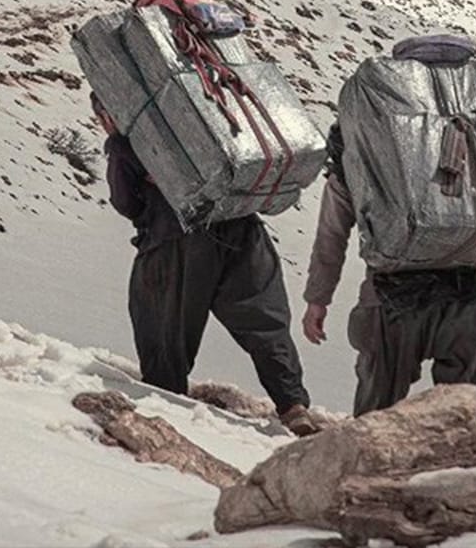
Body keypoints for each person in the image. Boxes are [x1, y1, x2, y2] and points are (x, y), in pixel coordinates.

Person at [99, 97, 320, 436]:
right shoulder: (211, 116)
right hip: (243, 230)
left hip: (176, 240)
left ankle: (166, 401)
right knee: (265, 323)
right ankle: (292, 405)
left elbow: (125, 203)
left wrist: (121, 148)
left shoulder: (129, 142)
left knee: (162, 323)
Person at [304, 124, 476, 415]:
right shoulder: (451, 140)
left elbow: (330, 238)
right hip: (470, 297)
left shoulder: (350, 161)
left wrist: (318, 300)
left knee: (376, 418)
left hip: (392, 301)